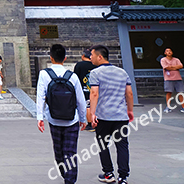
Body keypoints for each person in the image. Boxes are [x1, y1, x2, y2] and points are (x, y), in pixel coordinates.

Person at [37, 43, 87, 184]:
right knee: (70, 152)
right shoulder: (72, 76)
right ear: (64, 58)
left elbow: (40, 96)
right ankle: (70, 179)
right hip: (72, 120)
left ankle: (66, 176)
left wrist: (40, 117)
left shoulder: (44, 74)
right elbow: (81, 100)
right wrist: (83, 119)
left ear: (51, 58)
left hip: (54, 119)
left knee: (59, 152)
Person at [89, 44, 133, 184]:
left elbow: (94, 93)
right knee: (122, 146)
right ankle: (123, 177)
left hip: (103, 116)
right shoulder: (122, 72)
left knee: (103, 144)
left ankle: (108, 173)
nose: (91, 58)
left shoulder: (95, 73)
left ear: (99, 57)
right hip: (120, 116)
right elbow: (129, 93)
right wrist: (130, 110)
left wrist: (93, 113)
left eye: (92, 55)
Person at [160, 47, 184, 114]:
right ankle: (168, 107)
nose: (169, 52)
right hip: (168, 78)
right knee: (169, 92)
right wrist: (175, 67)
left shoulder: (176, 59)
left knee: (181, 92)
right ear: (165, 53)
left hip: (178, 78)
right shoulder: (163, 60)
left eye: (170, 51)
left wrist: (171, 67)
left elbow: (181, 66)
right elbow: (166, 67)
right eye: (167, 51)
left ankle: (183, 107)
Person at [73, 48, 96, 130]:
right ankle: (95, 122)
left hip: (83, 89)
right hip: (95, 89)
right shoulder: (95, 65)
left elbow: (76, 77)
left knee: (87, 106)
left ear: (83, 56)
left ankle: (90, 124)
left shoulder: (79, 65)